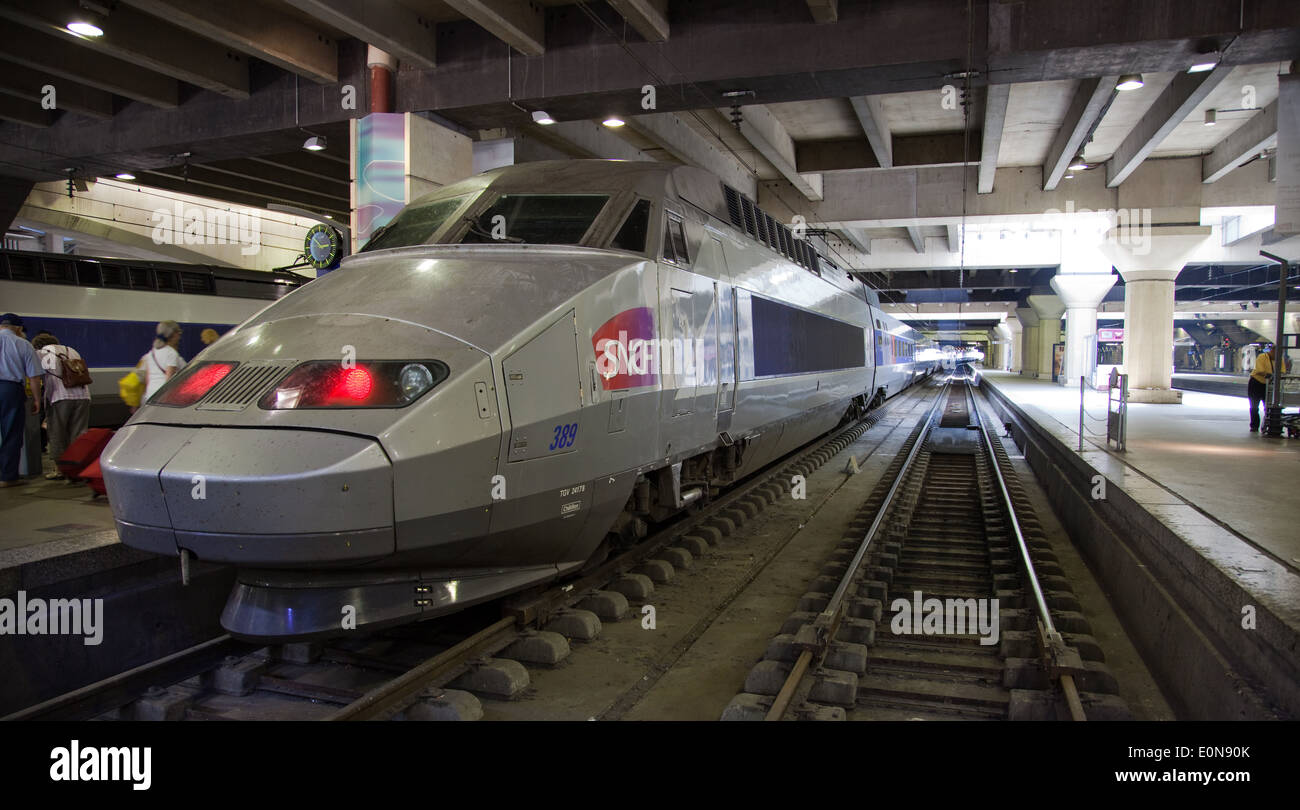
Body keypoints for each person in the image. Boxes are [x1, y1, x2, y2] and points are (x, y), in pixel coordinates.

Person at [33, 333, 91, 480]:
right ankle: (78, 469)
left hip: (59, 397)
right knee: (78, 434)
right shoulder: (70, 350)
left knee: (57, 433)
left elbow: (36, 375)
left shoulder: (41, 353)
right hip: (83, 395)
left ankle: (60, 470)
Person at [0, 314, 43, 487]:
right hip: (10, 390)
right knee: (11, 433)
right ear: (18, 328)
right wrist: (37, 400)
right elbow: (33, 377)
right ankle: (7, 477)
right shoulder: (23, 344)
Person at [139, 320, 185, 402]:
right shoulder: (171, 353)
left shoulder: (152, 352)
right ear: (173, 334)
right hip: (162, 396)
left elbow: (148, 378)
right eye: (179, 332)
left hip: (150, 394)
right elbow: (169, 380)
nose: (180, 336)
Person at [1248, 344, 1275, 432]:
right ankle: (1254, 426)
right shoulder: (1262, 357)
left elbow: (1282, 370)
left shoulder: (1279, 359)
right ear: (1272, 351)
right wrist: (1269, 374)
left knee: (1268, 406)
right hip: (1256, 383)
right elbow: (1260, 370)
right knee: (1254, 406)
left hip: (1268, 384)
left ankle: (1267, 424)